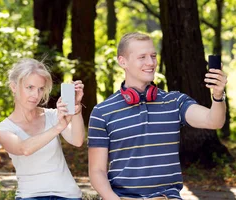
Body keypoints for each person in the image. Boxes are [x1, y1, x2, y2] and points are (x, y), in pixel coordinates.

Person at [88, 32, 227, 199]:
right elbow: (97, 171)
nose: (150, 62)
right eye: (142, 57)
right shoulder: (102, 112)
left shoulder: (174, 102)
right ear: (122, 61)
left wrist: (218, 95)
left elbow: (214, 121)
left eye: (153, 56)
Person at [0, 58, 85, 200]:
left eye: (41, 89)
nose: (36, 95)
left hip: (67, 195)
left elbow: (77, 141)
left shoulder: (53, 115)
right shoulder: (3, 129)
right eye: (30, 87)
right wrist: (59, 126)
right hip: (31, 196)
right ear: (13, 87)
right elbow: (24, 149)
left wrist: (76, 109)